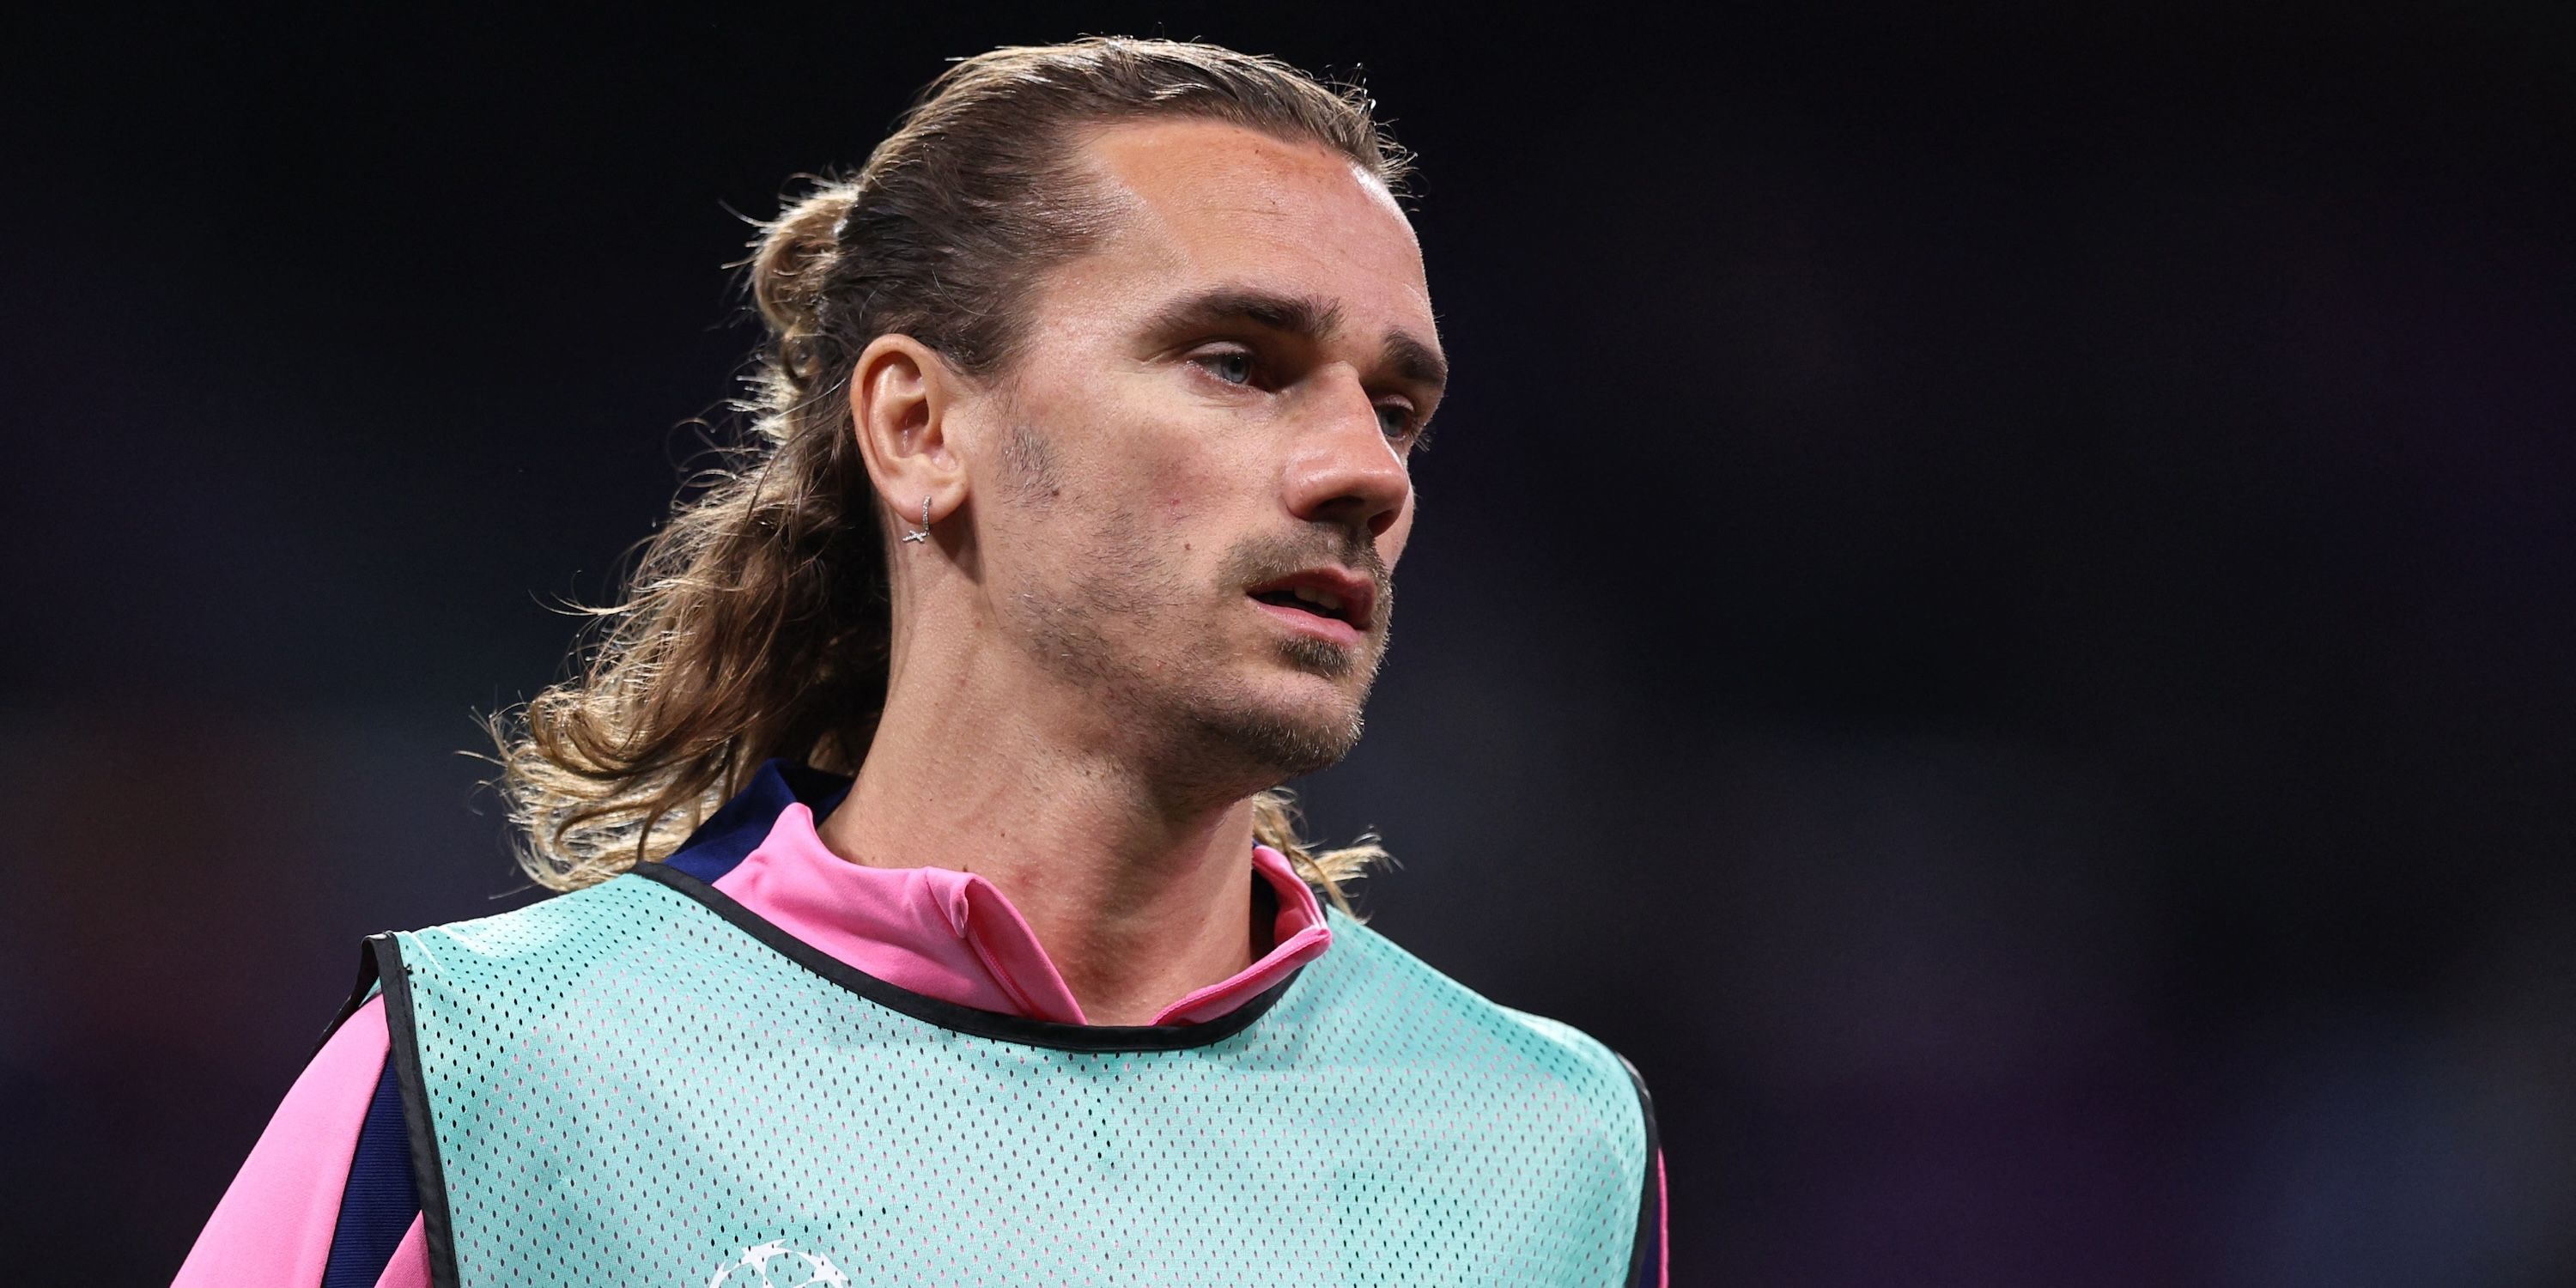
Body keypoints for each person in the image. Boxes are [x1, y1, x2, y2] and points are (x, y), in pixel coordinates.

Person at [177, 36, 1667, 1286]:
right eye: (1238, 362)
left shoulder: (1551, 1152)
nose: (1368, 472)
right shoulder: (498, 1079)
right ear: (918, 428)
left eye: (1398, 407)